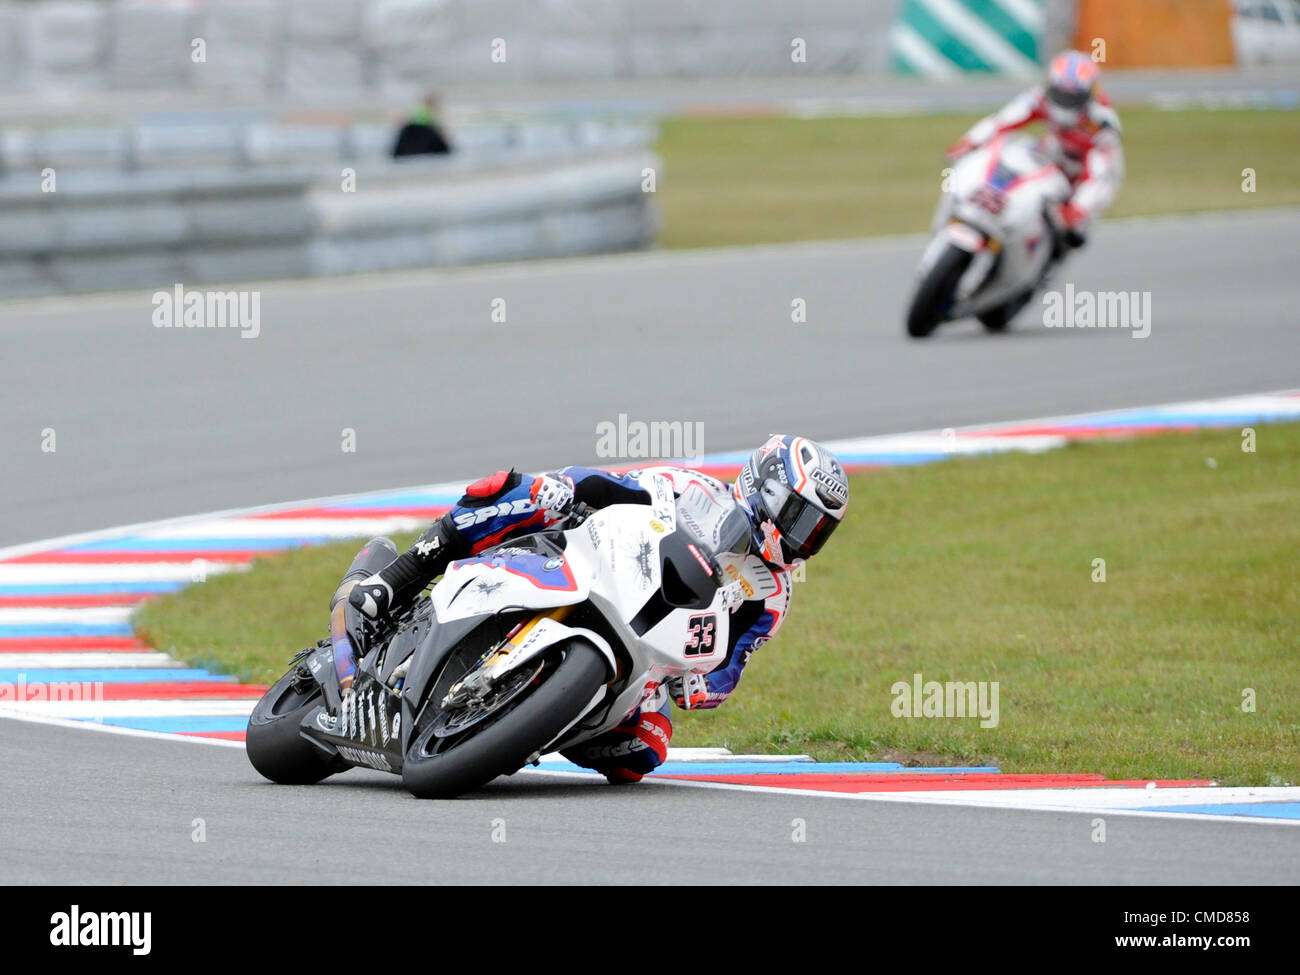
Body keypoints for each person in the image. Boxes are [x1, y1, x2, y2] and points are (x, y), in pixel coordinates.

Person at [348, 435, 850, 783]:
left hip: (645, 657)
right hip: (588, 566)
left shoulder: (773, 596)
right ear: (769, 489)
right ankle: (394, 581)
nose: (807, 539)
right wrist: (570, 489)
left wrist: (699, 684)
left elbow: (732, 663)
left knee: (646, 750)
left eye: (819, 532)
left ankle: (525, 723)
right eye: (802, 519)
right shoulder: (693, 490)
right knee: (510, 489)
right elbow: (616, 486)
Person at [947, 50, 1123, 253]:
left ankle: (1044, 262)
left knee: (1071, 233)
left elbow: (1099, 177)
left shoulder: (1102, 125)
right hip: (1056, 152)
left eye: (1073, 98)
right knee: (1021, 157)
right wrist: (970, 142)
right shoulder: (1040, 97)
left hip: (1092, 173)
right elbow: (1003, 120)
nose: (1065, 102)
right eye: (1061, 95)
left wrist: (1076, 211)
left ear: (1088, 94)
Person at [391, 93, 452, 157]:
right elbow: (434, 125)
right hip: (423, 132)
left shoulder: (417, 108)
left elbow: (404, 121)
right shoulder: (428, 110)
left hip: (412, 132)